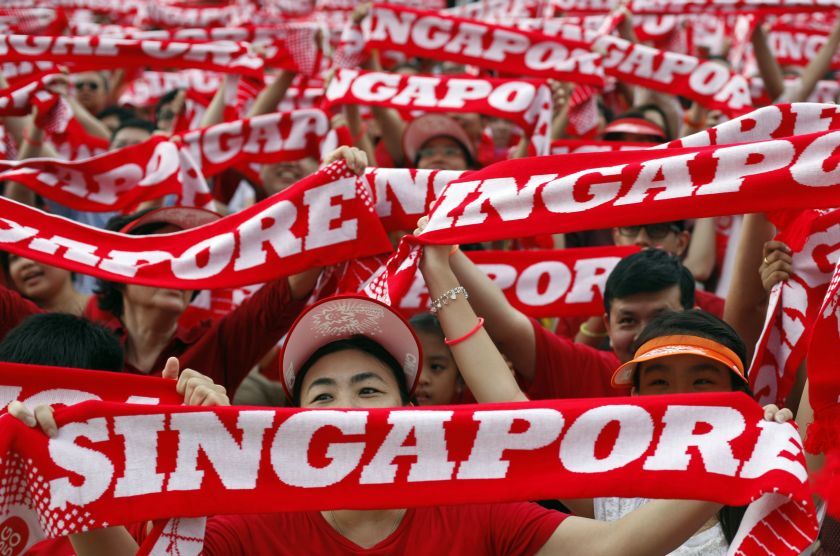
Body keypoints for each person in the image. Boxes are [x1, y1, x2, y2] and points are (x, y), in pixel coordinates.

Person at [63, 293, 737, 555]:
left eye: (368, 388)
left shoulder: (480, 512)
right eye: (322, 394)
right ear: (295, 419)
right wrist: (73, 464)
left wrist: (736, 453)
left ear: (412, 417)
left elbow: (615, 546)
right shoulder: (252, 528)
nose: (348, 408)